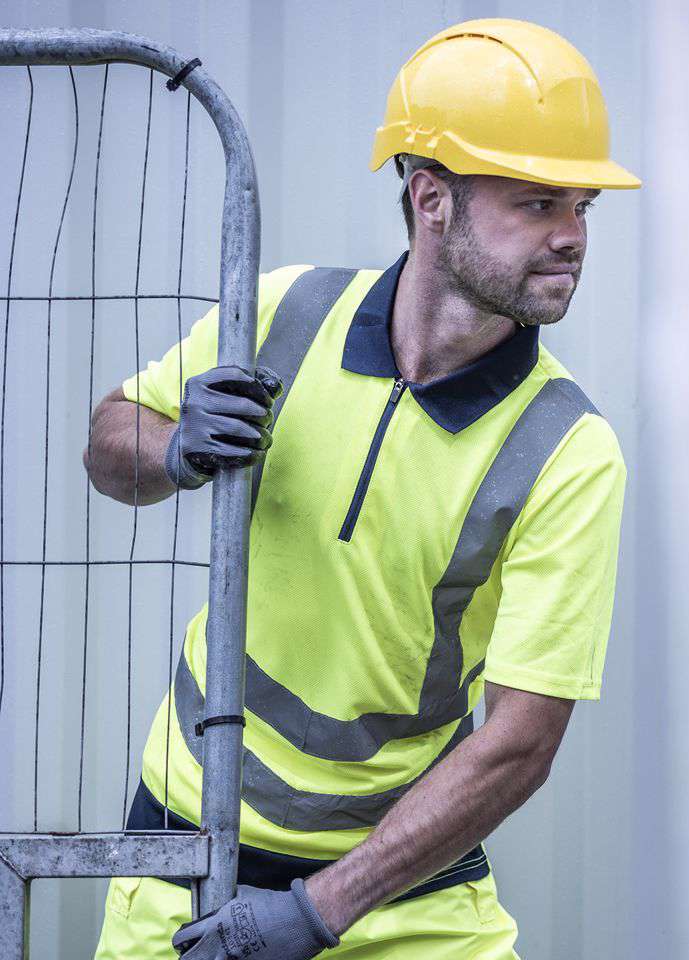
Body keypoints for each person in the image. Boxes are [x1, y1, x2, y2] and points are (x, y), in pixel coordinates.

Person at [87, 17, 640, 960]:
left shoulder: (569, 452)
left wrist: (318, 912)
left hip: (403, 900)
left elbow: (520, 742)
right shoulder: (283, 313)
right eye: (539, 203)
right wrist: (175, 446)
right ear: (432, 199)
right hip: (185, 858)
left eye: (583, 207)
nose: (572, 238)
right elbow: (109, 442)